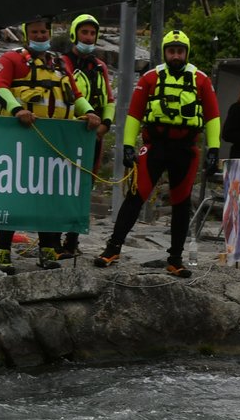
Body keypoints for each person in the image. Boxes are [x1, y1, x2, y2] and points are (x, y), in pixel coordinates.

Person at [94, 29, 221, 278]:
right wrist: (128, 145)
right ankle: (112, 249)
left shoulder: (201, 80)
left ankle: (175, 259)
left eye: (180, 51)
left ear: (186, 53)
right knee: (136, 195)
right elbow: (134, 113)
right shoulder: (151, 78)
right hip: (155, 147)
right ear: (165, 52)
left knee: (181, 203)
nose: (176, 55)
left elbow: (213, 116)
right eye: (171, 51)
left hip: (185, 149)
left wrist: (214, 148)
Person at [0, 17, 101, 274]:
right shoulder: (12, 59)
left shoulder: (59, 63)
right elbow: (0, 88)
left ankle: (48, 249)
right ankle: (3, 249)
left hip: (54, 140)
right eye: (35, 31)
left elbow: (76, 95)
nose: (40, 35)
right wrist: (17, 110)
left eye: (44, 31)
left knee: (51, 196)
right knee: (14, 195)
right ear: (26, 33)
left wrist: (90, 112)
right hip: (19, 139)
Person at [59, 13, 115, 261]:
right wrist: (89, 117)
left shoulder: (99, 66)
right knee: (62, 186)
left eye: (92, 34)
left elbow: (110, 100)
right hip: (71, 131)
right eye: (84, 33)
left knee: (84, 187)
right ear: (74, 34)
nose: (89, 38)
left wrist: (105, 125)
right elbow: (71, 92)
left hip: (94, 134)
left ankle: (72, 240)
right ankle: (51, 239)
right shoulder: (63, 62)